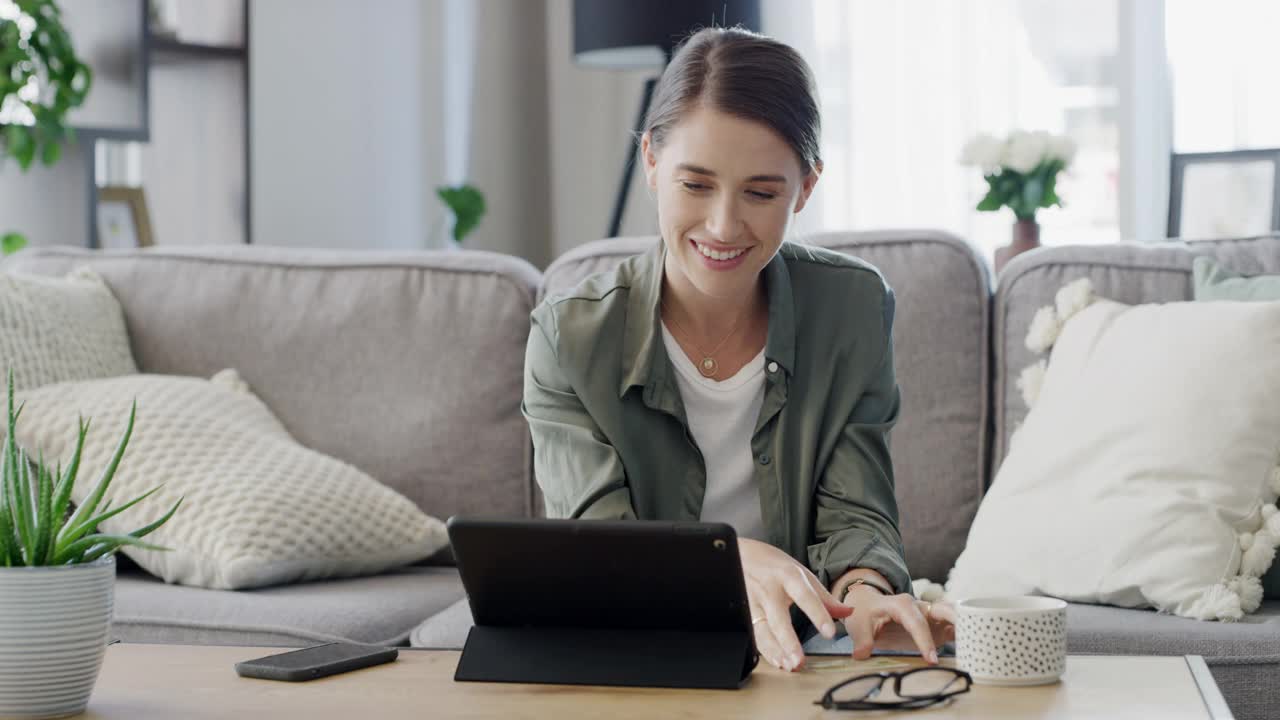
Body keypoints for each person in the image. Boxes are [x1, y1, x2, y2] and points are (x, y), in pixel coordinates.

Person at [522, 26, 955, 673]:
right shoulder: (569, 335)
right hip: (640, 646)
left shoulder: (853, 307)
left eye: (761, 193)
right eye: (695, 185)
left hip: (798, 650)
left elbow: (855, 507)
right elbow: (601, 548)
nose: (724, 226)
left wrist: (864, 593)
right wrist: (734, 556)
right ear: (650, 162)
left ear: (805, 189)